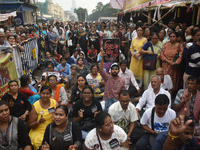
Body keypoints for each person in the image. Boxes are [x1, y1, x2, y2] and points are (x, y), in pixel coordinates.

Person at [29, 85, 58, 150]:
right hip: (39, 130)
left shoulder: (54, 103)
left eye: (47, 93)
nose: (45, 95)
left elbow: (62, 117)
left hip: (52, 128)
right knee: (38, 142)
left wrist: (55, 120)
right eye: (43, 93)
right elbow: (30, 125)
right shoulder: (36, 106)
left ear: (50, 94)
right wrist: (38, 122)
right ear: (40, 94)